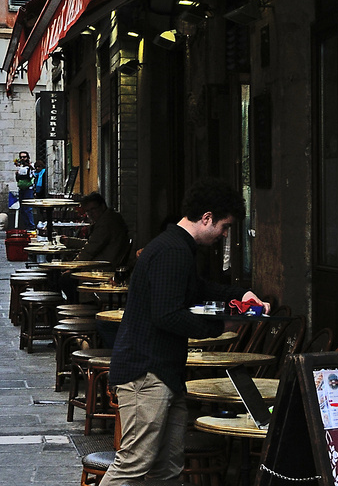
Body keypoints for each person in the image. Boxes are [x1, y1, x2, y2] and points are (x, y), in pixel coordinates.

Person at [101, 179, 269, 486]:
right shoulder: (172, 250)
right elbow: (168, 315)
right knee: (133, 465)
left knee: (167, 469)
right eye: (225, 226)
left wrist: (239, 295)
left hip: (162, 374)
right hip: (146, 374)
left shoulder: (175, 247)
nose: (224, 235)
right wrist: (220, 327)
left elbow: (198, 288)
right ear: (206, 218)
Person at [78, 192, 132, 267]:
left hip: (103, 267)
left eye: (93, 209)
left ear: (102, 207)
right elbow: (92, 243)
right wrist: (69, 241)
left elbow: (91, 249)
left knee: (65, 277)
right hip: (109, 263)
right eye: (87, 211)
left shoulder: (106, 222)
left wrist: (73, 266)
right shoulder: (112, 217)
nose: (90, 214)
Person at [12, 152, 34, 228]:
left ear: (27, 158)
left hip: (28, 189)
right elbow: (18, 179)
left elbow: (30, 176)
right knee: (22, 208)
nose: (22, 159)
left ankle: (31, 225)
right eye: (21, 157)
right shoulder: (20, 167)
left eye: (24, 157)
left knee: (28, 209)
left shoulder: (31, 166)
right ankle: (26, 225)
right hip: (21, 189)